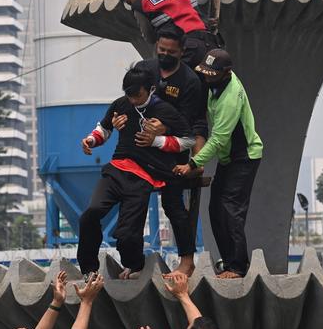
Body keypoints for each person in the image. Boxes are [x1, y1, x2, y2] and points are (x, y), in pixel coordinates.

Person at [79, 65, 194, 279]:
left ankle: (133, 265)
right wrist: (91, 141)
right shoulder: (121, 105)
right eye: (128, 95)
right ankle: (88, 269)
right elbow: (104, 129)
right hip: (117, 169)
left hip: (144, 175)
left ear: (150, 89)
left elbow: (188, 140)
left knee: (127, 234)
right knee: (90, 213)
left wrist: (158, 141)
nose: (132, 100)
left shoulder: (165, 111)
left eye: (137, 95)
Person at [112, 30, 207, 276]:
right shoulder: (145, 69)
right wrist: (119, 121)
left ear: (181, 51)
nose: (165, 55)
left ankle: (186, 260)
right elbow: (128, 100)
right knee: (133, 202)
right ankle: (132, 261)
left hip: (171, 151)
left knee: (173, 204)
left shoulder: (190, 81)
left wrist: (168, 132)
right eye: (161, 50)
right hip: (140, 152)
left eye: (171, 52)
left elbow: (193, 124)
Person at [174, 49, 263, 279]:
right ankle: (228, 261)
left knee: (230, 209)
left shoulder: (230, 97)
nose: (207, 77)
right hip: (228, 158)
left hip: (244, 157)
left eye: (212, 74)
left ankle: (238, 267)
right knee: (215, 209)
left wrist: (192, 164)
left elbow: (218, 139)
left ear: (226, 73)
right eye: (206, 72)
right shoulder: (216, 84)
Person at [118, 0, 220, 69]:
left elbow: (150, 38)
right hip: (209, 43)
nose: (131, 4)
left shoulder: (140, 5)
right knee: (214, 79)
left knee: (179, 83)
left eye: (129, 0)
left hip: (185, 50)